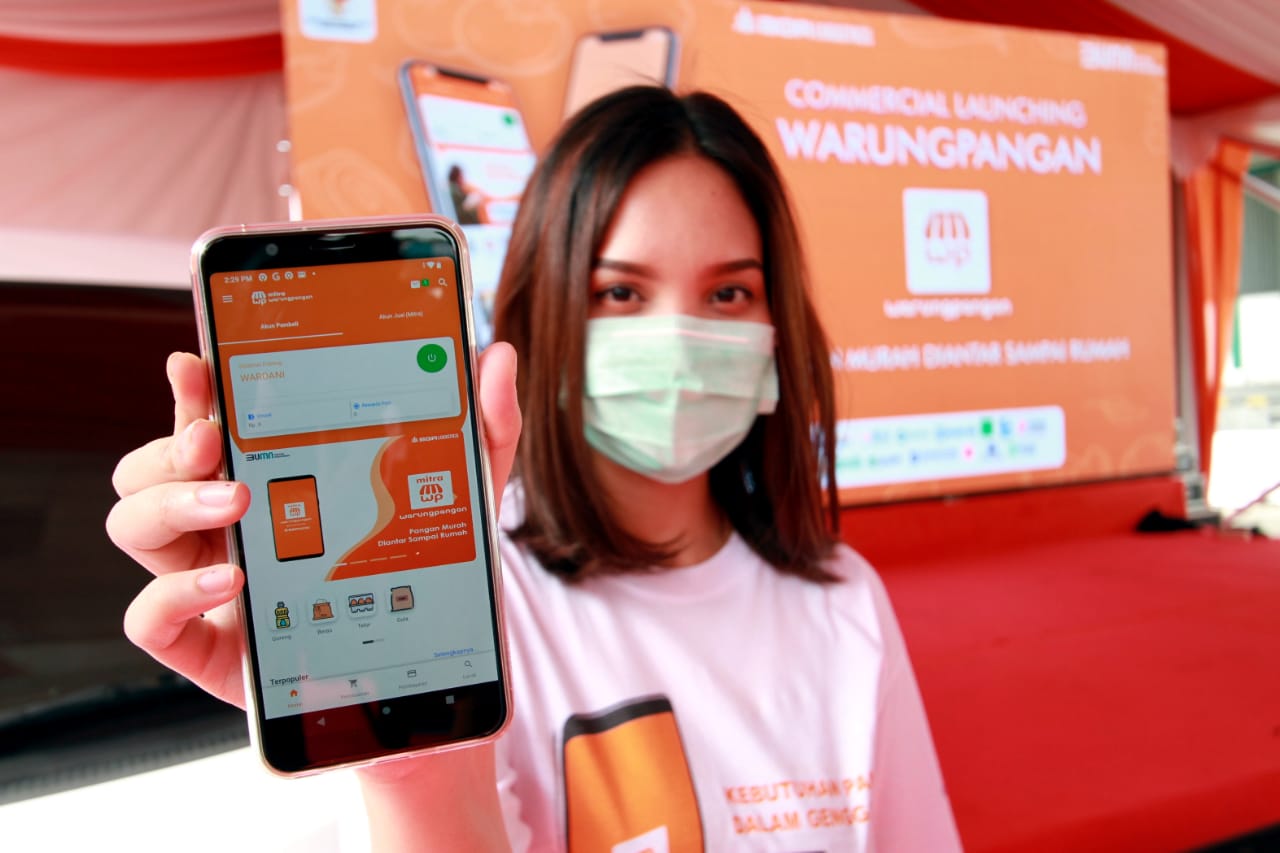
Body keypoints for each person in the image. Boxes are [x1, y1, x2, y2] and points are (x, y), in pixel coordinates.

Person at [107, 86, 962, 852]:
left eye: (728, 293)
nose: (678, 338)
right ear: (544, 311)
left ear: (777, 321)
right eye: (620, 292)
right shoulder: (469, 598)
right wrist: (408, 763)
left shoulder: (845, 600)